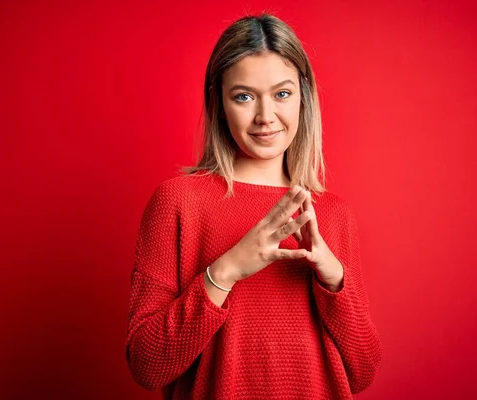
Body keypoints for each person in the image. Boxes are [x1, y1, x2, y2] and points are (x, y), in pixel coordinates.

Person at [125, 13, 383, 399]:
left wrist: (334, 281)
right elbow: (147, 365)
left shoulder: (332, 213)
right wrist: (226, 270)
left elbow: (362, 373)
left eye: (282, 94)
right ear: (219, 101)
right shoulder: (177, 202)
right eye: (243, 96)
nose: (265, 117)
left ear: (303, 97)